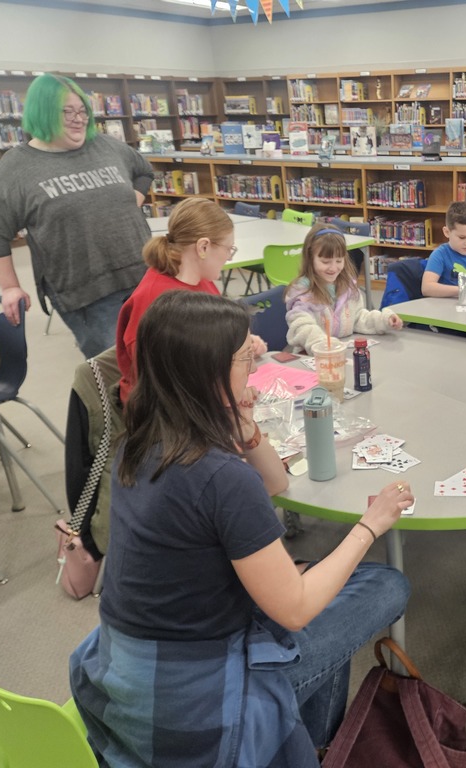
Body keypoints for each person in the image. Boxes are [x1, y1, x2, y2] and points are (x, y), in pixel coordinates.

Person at [70, 291, 412, 766]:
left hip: (125, 668)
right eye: (242, 358)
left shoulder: (141, 441)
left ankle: (309, 747)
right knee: (385, 583)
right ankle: (303, 745)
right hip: (195, 698)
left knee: (322, 577)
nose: (253, 364)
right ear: (208, 374)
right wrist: (369, 526)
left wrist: (245, 424)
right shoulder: (220, 477)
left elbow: (274, 482)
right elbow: (294, 610)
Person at [0, 73, 154, 358]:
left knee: (162, 356)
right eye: (67, 111)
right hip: (87, 292)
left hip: (145, 274)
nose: (78, 119)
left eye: (82, 110)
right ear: (43, 113)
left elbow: (144, 171)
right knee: (117, 373)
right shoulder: (16, 168)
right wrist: (10, 287)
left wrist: (133, 200)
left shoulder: (106, 146)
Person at [116, 198, 266, 404]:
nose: (229, 258)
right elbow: (163, 384)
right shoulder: (156, 303)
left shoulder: (201, 280)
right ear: (203, 247)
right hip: (168, 411)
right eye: (228, 249)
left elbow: (210, 337)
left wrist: (240, 344)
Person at [285, 222, 402, 352]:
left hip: (343, 354)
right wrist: (323, 345)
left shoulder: (348, 286)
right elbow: (302, 326)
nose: (333, 268)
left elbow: (358, 318)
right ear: (310, 258)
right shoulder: (303, 293)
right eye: (325, 262)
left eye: (339, 261)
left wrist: (383, 320)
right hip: (313, 358)